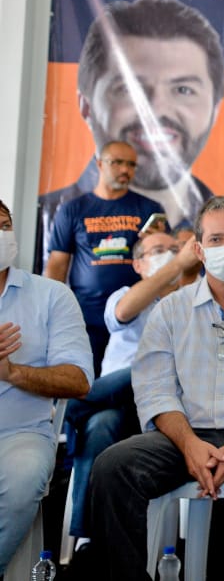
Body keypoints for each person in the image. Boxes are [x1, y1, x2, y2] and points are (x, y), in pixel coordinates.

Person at [89, 195, 224, 581]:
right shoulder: (169, 310)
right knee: (112, 468)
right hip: (184, 436)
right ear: (198, 249)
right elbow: (155, 389)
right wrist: (189, 444)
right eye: (216, 239)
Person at [36, 0, 224, 277]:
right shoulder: (52, 215)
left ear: (214, 109)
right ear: (85, 104)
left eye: (183, 90)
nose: (156, 111)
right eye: (130, 89)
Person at [65, 228, 197, 547]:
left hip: (164, 405)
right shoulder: (125, 294)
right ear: (138, 265)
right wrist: (177, 263)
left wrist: (185, 270)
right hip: (113, 401)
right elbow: (123, 312)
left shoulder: (192, 300)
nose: (170, 255)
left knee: (151, 369)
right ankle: (87, 541)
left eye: (174, 249)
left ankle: (69, 406)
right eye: (158, 251)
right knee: (100, 424)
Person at [0, 199, 93, 576]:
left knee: (24, 478)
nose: (0, 234)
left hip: (21, 433)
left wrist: (11, 373)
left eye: (4, 225)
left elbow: (78, 380)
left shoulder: (51, 295)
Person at [43, 140, 162, 372]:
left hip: (133, 316)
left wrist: (155, 241)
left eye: (131, 164)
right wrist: (50, 312)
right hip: (85, 316)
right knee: (83, 380)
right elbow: (57, 264)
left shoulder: (149, 209)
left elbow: (161, 262)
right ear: (99, 164)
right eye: (117, 162)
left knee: (126, 385)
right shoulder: (73, 209)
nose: (125, 169)